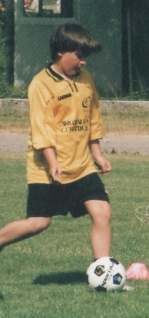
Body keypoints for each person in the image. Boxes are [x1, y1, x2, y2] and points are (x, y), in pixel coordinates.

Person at [0, 24, 114, 270]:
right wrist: (52, 163)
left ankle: (103, 273)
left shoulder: (86, 79)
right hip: (47, 169)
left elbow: (93, 117)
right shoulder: (41, 84)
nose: (83, 62)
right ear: (61, 51)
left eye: (85, 57)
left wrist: (97, 154)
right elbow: (41, 129)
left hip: (82, 166)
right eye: (79, 56)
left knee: (102, 212)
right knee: (39, 223)